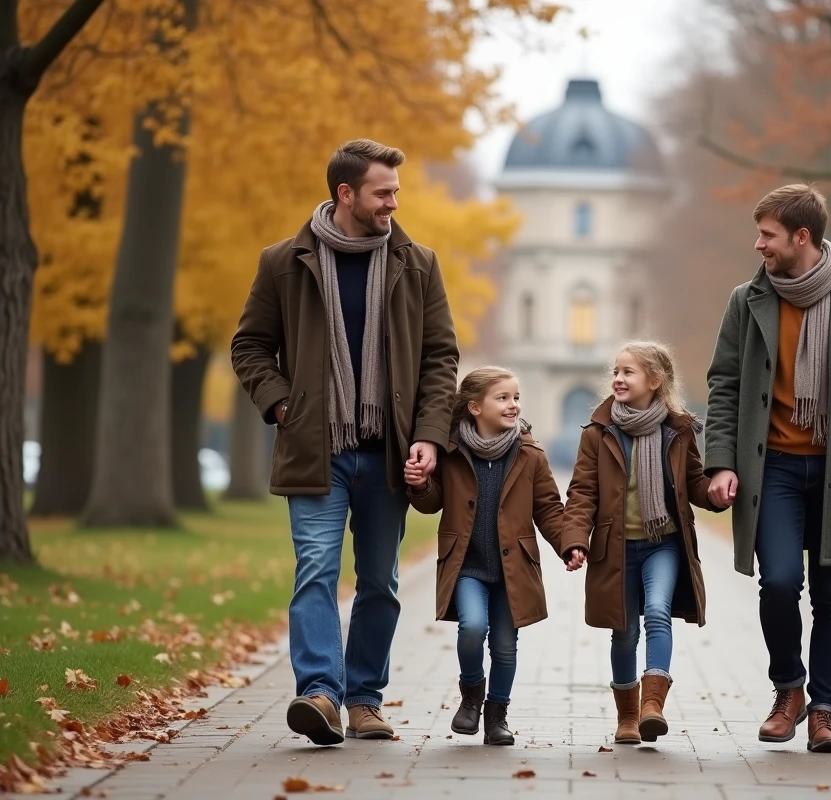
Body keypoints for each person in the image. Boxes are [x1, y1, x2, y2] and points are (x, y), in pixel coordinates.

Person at [230, 138, 459, 746]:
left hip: (389, 452)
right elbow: (249, 346)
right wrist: (283, 404)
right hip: (316, 448)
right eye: (383, 192)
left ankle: (363, 701)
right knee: (316, 571)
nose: (393, 203)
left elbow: (441, 359)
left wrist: (431, 437)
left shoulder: (418, 263)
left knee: (380, 582)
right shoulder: (283, 261)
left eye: (396, 192)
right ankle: (321, 695)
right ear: (345, 193)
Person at [704, 183, 831, 752]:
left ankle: (824, 711)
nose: (758, 245)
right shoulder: (745, 300)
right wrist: (719, 461)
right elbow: (723, 385)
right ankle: (788, 689)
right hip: (772, 467)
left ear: (802, 237)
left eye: (768, 235)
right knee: (776, 582)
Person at [405, 367, 588, 746]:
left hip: (512, 568)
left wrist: (570, 543)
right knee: (472, 627)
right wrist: (421, 485)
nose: (513, 405)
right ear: (474, 407)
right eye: (502, 398)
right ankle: (471, 693)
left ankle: (497, 714)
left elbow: (550, 509)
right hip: (467, 565)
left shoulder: (530, 455)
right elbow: (433, 502)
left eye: (516, 397)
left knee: (505, 644)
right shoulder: (452, 451)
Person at [564, 341, 725, 746]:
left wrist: (716, 493)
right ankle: (628, 717)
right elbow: (582, 492)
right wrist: (574, 540)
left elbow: (693, 483)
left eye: (628, 372)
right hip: (615, 549)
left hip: (663, 544)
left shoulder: (679, 430)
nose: (618, 378)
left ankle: (653, 704)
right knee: (623, 632)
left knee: (657, 611)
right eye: (615, 371)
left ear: (655, 381)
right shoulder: (598, 433)